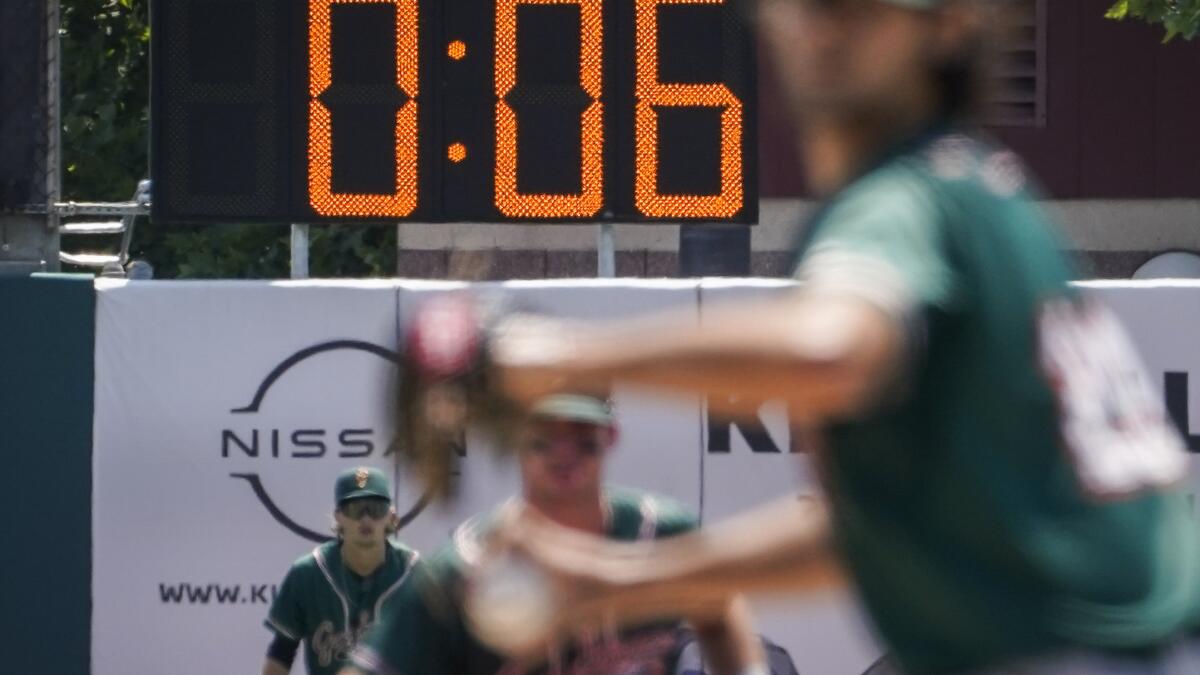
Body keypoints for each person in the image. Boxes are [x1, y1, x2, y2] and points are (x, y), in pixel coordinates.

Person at [432, 1, 1200, 673]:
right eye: (807, 3)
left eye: (861, 6)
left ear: (949, 24)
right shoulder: (986, 201)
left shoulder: (904, 199)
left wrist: (537, 355)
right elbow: (859, 536)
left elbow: (834, 352)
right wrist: (618, 581)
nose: (822, 25)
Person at [343, 394, 770, 675]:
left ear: (610, 435)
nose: (563, 453)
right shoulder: (465, 568)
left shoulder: (658, 533)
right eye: (545, 437)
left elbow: (721, 608)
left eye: (581, 437)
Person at [262, 467, 420, 675]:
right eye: (355, 509)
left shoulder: (414, 574)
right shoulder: (308, 573)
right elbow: (282, 651)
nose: (366, 519)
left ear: (391, 517)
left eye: (375, 509)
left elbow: (440, 653)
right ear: (338, 517)